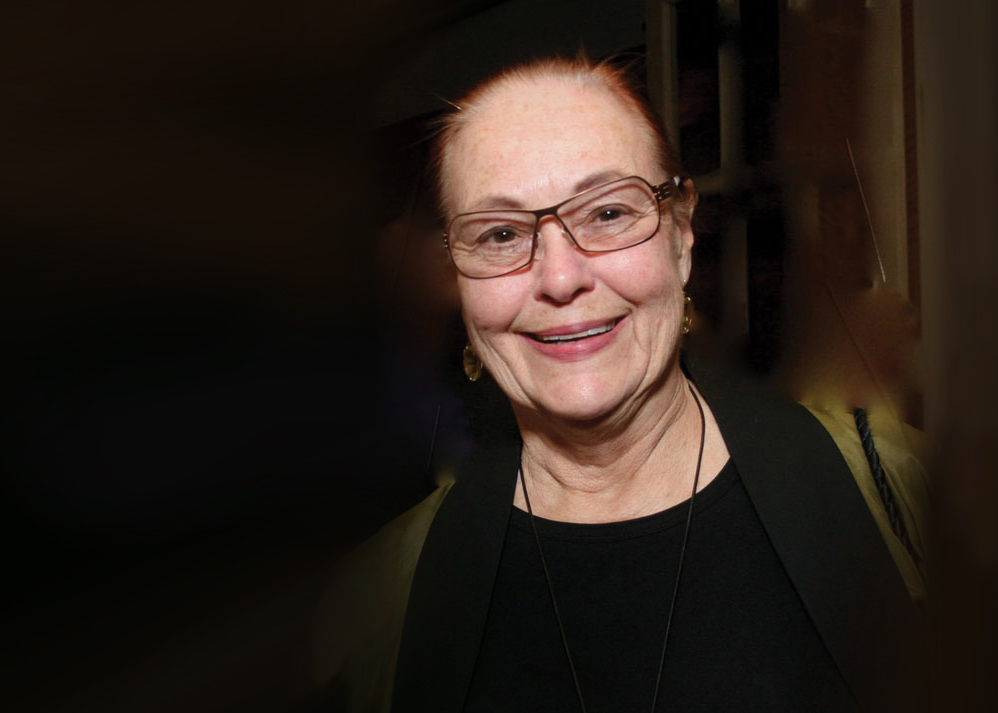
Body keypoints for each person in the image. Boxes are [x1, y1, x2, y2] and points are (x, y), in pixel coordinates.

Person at [311, 55, 928, 713]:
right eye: (499, 232)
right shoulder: (373, 610)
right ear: (459, 282)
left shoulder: (909, 495)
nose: (559, 277)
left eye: (607, 213)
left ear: (682, 235)